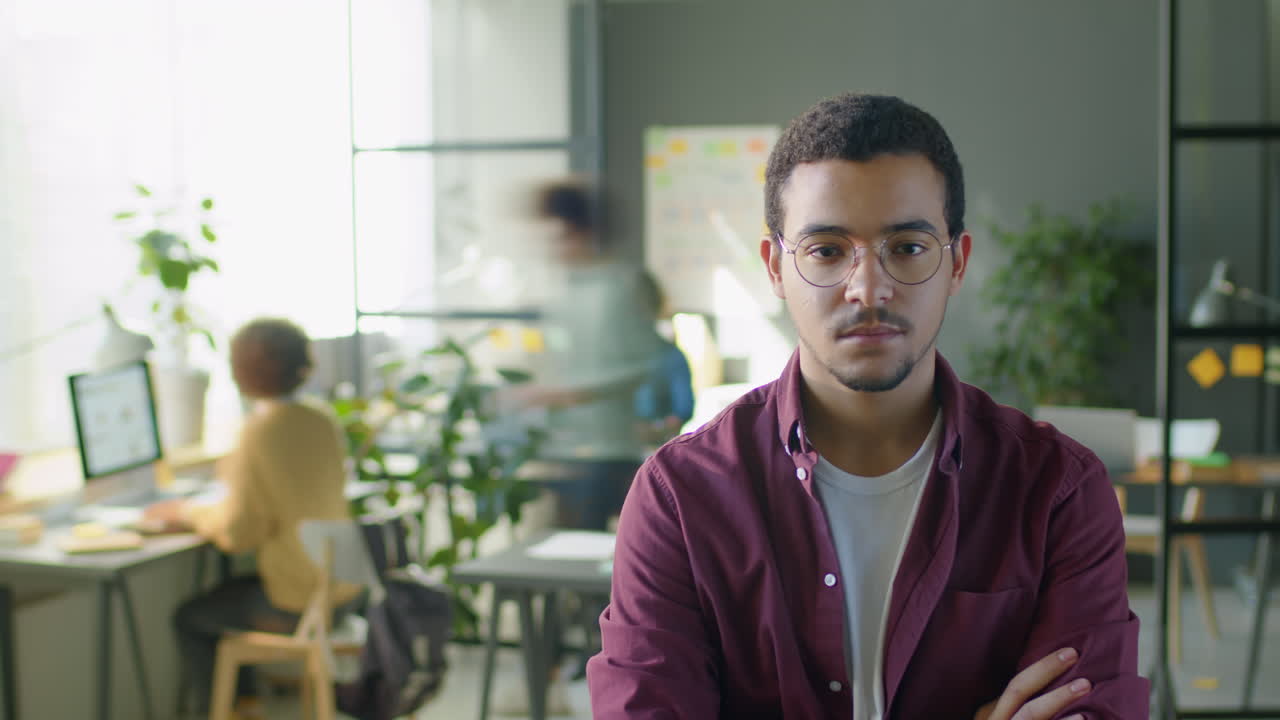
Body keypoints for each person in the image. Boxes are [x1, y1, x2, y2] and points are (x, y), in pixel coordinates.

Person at [587, 93, 1148, 719]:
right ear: (776, 268)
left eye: (906, 248)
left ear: (955, 263)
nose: (867, 288)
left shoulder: (1056, 491)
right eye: (827, 250)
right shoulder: (681, 498)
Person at [145, 317, 359, 718]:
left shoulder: (259, 432)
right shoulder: (322, 421)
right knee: (231, 591)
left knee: (191, 618)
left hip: (297, 603)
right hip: (342, 591)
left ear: (244, 370)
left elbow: (240, 533)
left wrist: (189, 513)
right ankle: (246, 703)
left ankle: (236, 709)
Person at [632, 269, 695, 447]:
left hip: (650, 451)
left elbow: (682, 411)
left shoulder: (671, 357)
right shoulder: (604, 356)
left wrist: (654, 430)